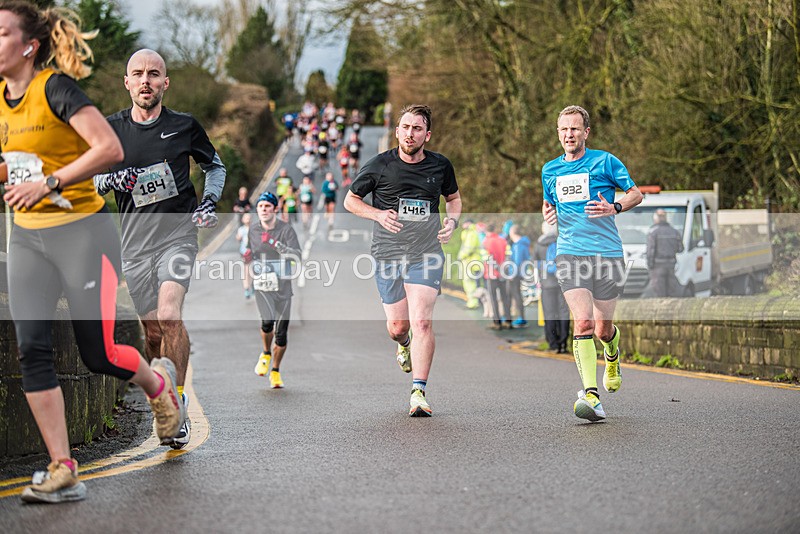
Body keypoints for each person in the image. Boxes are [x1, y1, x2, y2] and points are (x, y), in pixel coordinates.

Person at [0, 1, 184, 503]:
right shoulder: (0, 99)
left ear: (28, 45)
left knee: (97, 353)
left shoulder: (54, 88)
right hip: (28, 236)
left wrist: (51, 181)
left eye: (1, 33)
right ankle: (63, 469)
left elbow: (109, 148)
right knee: (32, 347)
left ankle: (158, 387)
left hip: (82, 232)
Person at [93, 48, 226, 448]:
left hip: (178, 234)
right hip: (134, 243)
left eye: (154, 74)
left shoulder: (184, 126)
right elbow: (91, 180)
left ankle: (179, 407)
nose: (146, 80)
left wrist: (208, 200)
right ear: (127, 82)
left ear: (165, 83)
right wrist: (116, 180)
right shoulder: (109, 129)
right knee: (152, 334)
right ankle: (163, 401)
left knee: (170, 315)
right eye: (138, 73)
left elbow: (214, 166)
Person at [344, 104, 461, 417]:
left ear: (427, 134)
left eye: (417, 128)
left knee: (422, 320)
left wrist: (452, 221)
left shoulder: (440, 165)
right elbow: (350, 200)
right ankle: (403, 343)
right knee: (398, 326)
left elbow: (453, 199)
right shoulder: (380, 165)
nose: (411, 133)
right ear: (397, 131)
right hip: (388, 254)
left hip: (426, 253)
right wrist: (378, 214)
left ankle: (418, 391)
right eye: (406, 127)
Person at [541, 105, 642, 422]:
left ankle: (612, 353)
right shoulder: (550, 170)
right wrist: (549, 213)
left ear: (586, 132)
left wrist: (614, 206)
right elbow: (550, 202)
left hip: (607, 253)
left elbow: (635, 194)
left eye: (574, 129)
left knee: (602, 328)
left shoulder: (605, 161)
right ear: (558, 133)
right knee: (582, 323)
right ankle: (591, 395)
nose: (569, 134)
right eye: (563, 129)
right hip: (570, 252)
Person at [248, 191, 301, 389]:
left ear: (275, 209)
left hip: (283, 285)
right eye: (260, 206)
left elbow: (297, 255)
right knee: (267, 322)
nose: (263, 210)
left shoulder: (286, 230)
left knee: (281, 334)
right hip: (263, 285)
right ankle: (265, 352)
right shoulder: (252, 230)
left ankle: (276, 371)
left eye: (267, 206)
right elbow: (249, 253)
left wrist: (276, 245)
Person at [533, 222, 570, 352]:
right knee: (563, 312)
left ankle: (553, 343)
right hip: (563, 283)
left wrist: (537, 283)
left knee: (549, 313)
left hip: (546, 284)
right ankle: (564, 343)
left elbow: (535, 266)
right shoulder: (563, 242)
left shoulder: (539, 245)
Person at [643, 208, 684, 297]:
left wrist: (650, 265)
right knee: (671, 290)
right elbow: (680, 249)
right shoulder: (675, 232)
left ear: (656, 218)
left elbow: (650, 251)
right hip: (671, 265)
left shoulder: (653, 232)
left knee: (659, 292)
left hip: (657, 266)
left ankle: (661, 308)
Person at [482, 223, 511, 329]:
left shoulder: (485, 242)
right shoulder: (503, 241)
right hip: (503, 273)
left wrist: (496, 269)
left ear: (486, 231)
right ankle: (508, 321)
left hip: (491, 274)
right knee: (505, 297)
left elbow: (487, 258)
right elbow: (508, 256)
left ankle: (497, 323)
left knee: (493, 298)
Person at [507, 224, 530, 327]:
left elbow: (517, 261)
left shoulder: (518, 245)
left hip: (515, 274)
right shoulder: (524, 243)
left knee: (516, 295)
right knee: (516, 294)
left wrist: (512, 274)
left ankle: (521, 318)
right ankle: (518, 316)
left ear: (512, 233)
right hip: (520, 273)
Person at [457, 219, 482, 309]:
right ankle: (473, 301)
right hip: (469, 262)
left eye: (465, 223)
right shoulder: (466, 233)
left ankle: (475, 302)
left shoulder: (472, 233)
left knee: (473, 283)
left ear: (469, 223)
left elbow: (469, 248)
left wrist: (461, 256)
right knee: (471, 283)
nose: (463, 225)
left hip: (473, 262)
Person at [236, 212, 253, 299]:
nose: (248, 219)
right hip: (245, 252)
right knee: (246, 270)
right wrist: (239, 237)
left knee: (253, 270)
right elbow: (238, 238)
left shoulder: (255, 229)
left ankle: (253, 285)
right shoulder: (241, 229)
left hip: (254, 251)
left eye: (249, 218)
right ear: (243, 220)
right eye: (246, 218)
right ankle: (247, 288)